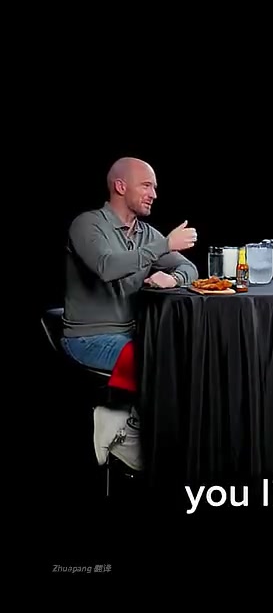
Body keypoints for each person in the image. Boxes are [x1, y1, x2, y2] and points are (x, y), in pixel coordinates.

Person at [63, 157, 198, 469]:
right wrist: (164, 245)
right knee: (160, 361)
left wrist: (174, 278)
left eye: (155, 187)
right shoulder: (87, 224)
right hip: (88, 338)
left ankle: (119, 418)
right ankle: (128, 429)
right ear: (120, 186)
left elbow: (189, 267)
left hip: (130, 334)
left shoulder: (146, 234)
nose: (154, 194)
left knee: (184, 353)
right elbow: (106, 267)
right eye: (147, 185)